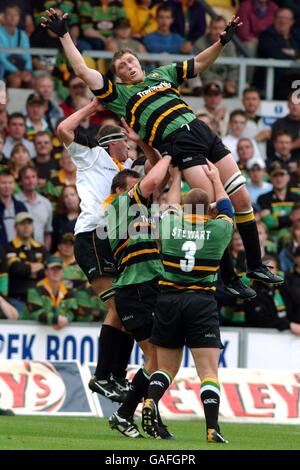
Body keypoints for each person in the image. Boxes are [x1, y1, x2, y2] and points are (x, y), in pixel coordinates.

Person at [42, 9, 283, 292]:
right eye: (121, 67)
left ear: (139, 62)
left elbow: (199, 63)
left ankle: (255, 265)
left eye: (130, 61)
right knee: (212, 205)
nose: (128, 67)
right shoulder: (119, 96)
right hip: (178, 144)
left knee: (242, 199)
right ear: (117, 76)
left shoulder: (162, 74)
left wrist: (221, 42)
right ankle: (229, 278)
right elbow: (83, 70)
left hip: (203, 132)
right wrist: (65, 35)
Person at [57, 98, 159, 403]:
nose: (129, 149)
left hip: (114, 241)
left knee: (126, 306)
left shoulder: (128, 168)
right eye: (126, 143)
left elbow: (153, 166)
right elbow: (63, 129)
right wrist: (92, 106)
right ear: (112, 143)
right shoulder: (91, 155)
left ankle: (114, 375)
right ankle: (103, 376)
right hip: (92, 236)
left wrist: (144, 140)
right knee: (118, 307)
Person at [141, 161, 233, 443]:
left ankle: (150, 401)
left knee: (165, 368)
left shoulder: (170, 224)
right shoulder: (218, 231)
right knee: (208, 371)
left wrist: (178, 175)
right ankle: (212, 428)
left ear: (184, 206)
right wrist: (216, 178)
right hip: (201, 302)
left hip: (168, 299)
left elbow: (170, 205)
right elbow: (228, 207)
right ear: (209, 210)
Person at [106, 161, 173, 439]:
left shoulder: (141, 212)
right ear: (121, 190)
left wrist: (165, 159)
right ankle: (128, 415)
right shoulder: (119, 206)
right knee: (157, 359)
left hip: (149, 288)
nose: (141, 191)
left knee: (156, 360)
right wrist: (169, 152)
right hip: (134, 291)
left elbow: (162, 182)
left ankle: (133, 415)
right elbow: (154, 182)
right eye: (135, 186)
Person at [6, 211, 47, 312]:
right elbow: (17, 269)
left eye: (29, 223)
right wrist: (38, 267)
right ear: (15, 227)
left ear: (32, 226)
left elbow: (47, 270)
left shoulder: (41, 248)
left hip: (41, 299)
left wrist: (27, 268)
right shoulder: (9, 247)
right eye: (22, 223)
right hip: (17, 299)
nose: (26, 226)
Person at [24, 255, 77, 328]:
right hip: (29, 333)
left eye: (59, 269)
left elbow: (73, 312)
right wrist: (56, 319)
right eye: (52, 269)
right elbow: (35, 313)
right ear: (46, 272)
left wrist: (65, 319)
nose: (56, 272)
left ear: (63, 271)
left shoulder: (69, 291)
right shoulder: (35, 290)